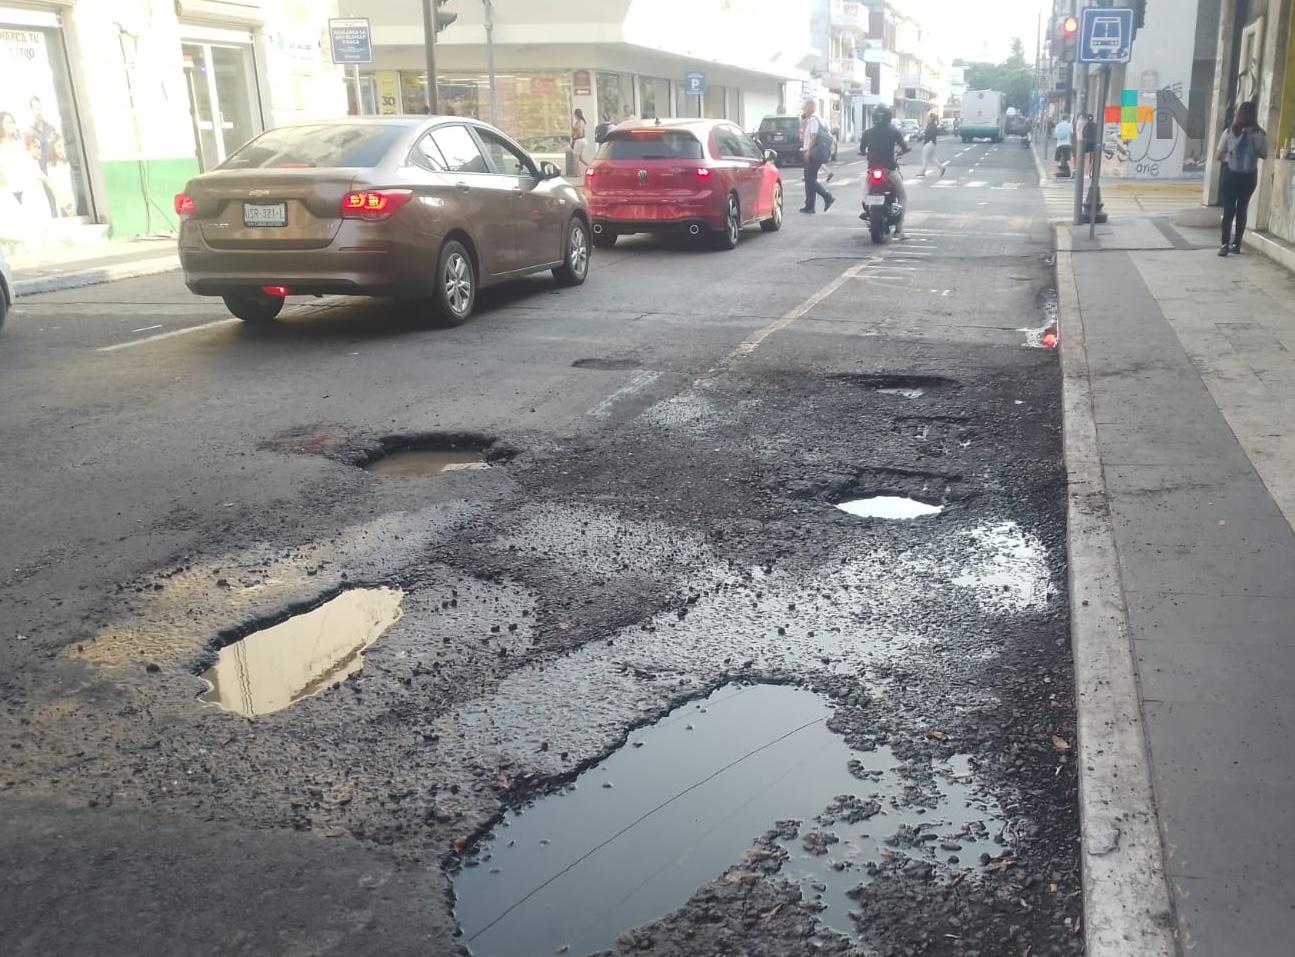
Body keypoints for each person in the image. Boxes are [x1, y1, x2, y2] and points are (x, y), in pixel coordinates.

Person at [1216, 101, 1267, 256]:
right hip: (1249, 177)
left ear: (1239, 114)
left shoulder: (1230, 132)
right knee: (1242, 210)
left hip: (1230, 176)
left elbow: (1219, 156)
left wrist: (1232, 154)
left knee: (1228, 210)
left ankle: (1224, 244)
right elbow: (1264, 155)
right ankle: (1237, 244)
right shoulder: (1261, 134)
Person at [858, 106, 910, 239]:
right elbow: (904, 147)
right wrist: (904, 150)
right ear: (888, 117)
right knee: (903, 197)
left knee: (865, 191)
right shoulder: (894, 132)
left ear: (874, 117)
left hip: (872, 171)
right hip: (889, 171)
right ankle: (899, 231)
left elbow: (862, 149)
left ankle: (867, 208)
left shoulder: (867, 133)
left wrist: (867, 153)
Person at [799, 100, 834, 213]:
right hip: (816, 152)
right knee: (810, 179)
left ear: (810, 107)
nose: (804, 109)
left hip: (813, 152)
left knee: (809, 179)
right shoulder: (819, 119)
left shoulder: (813, 119)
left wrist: (808, 151)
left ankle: (827, 197)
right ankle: (810, 206)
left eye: (805, 107)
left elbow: (814, 136)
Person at [918, 112, 946, 178]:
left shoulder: (933, 125)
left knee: (924, 157)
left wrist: (925, 137)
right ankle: (941, 168)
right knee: (931, 158)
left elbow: (931, 134)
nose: (927, 118)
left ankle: (923, 171)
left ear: (931, 118)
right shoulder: (930, 125)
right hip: (932, 144)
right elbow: (926, 133)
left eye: (928, 117)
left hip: (929, 143)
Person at [570, 109, 589, 175]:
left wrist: (574, 136)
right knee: (580, 158)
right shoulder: (581, 121)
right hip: (582, 140)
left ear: (576, 115)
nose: (574, 116)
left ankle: (576, 173)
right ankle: (590, 167)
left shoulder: (579, 122)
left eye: (574, 114)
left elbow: (580, 132)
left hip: (579, 140)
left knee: (575, 158)